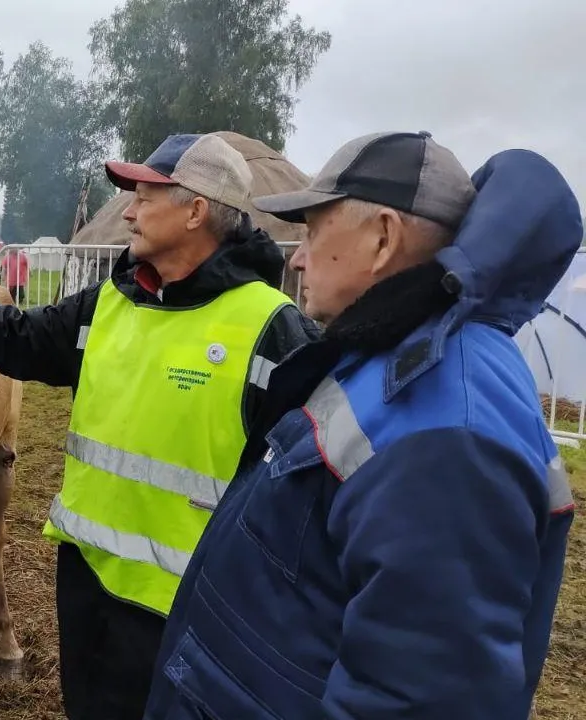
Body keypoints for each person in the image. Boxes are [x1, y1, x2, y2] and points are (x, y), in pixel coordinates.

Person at [0, 133, 318, 719]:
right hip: (88, 587)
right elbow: (14, 336)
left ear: (195, 211)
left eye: (144, 197)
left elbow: (305, 502)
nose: (128, 211)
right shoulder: (109, 304)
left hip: (190, 610)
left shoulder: (272, 333)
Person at [141, 132, 581, 720]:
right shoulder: (393, 360)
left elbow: (419, 698)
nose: (296, 257)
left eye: (315, 230)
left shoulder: (451, 429)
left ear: (382, 238)